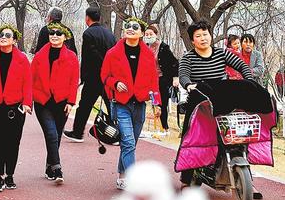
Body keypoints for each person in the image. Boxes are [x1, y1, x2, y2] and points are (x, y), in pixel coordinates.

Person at [178, 20, 255, 188]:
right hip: (199, 104)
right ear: (193, 40)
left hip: (222, 101)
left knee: (238, 134)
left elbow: (241, 65)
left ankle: (247, 178)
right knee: (192, 139)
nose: (203, 38)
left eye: (205, 34)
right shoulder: (188, 58)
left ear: (210, 36)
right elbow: (183, 75)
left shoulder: (222, 53)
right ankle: (187, 178)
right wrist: (188, 85)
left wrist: (249, 80)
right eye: (198, 36)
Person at [101, 17, 159, 190]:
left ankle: (122, 175)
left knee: (130, 143)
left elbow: (153, 81)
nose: (131, 29)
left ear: (141, 33)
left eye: (135, 27)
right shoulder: (113, 53)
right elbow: (104, 76)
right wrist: (115, 83)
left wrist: (157, 104)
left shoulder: (148, 55)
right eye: (128, 26)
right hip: (121, 104)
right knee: (128, 142)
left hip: (140, 104)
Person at [0, 24, 33, 192]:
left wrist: (27, 103)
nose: (3, 37)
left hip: (15, 108)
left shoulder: (22, 59)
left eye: (7, 35)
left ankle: (9, 175)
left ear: (14, 40)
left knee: (13, 142)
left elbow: (28, 83)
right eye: (0, 35)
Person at [32, 22, 79, 184]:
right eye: (52, 33)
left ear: (65, 37)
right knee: (51, 133)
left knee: (57, 136)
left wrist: (71, 101)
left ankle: (49, 166)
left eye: (58, 34)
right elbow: (31, 78)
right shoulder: (39, 55)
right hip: (42, 101)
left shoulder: (71, 57)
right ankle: (57, 168)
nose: (54, 36)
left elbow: (74, 81)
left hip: (62, 102)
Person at [64, 7, 116, 142]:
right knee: (112, 106)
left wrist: (83, 76)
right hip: (109, 77)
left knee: (85, 106)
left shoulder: (88, 34)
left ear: (87, 18)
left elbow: (89, 57)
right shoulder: (110, 34)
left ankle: (77, 132)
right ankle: (117, 135)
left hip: (94, 77)